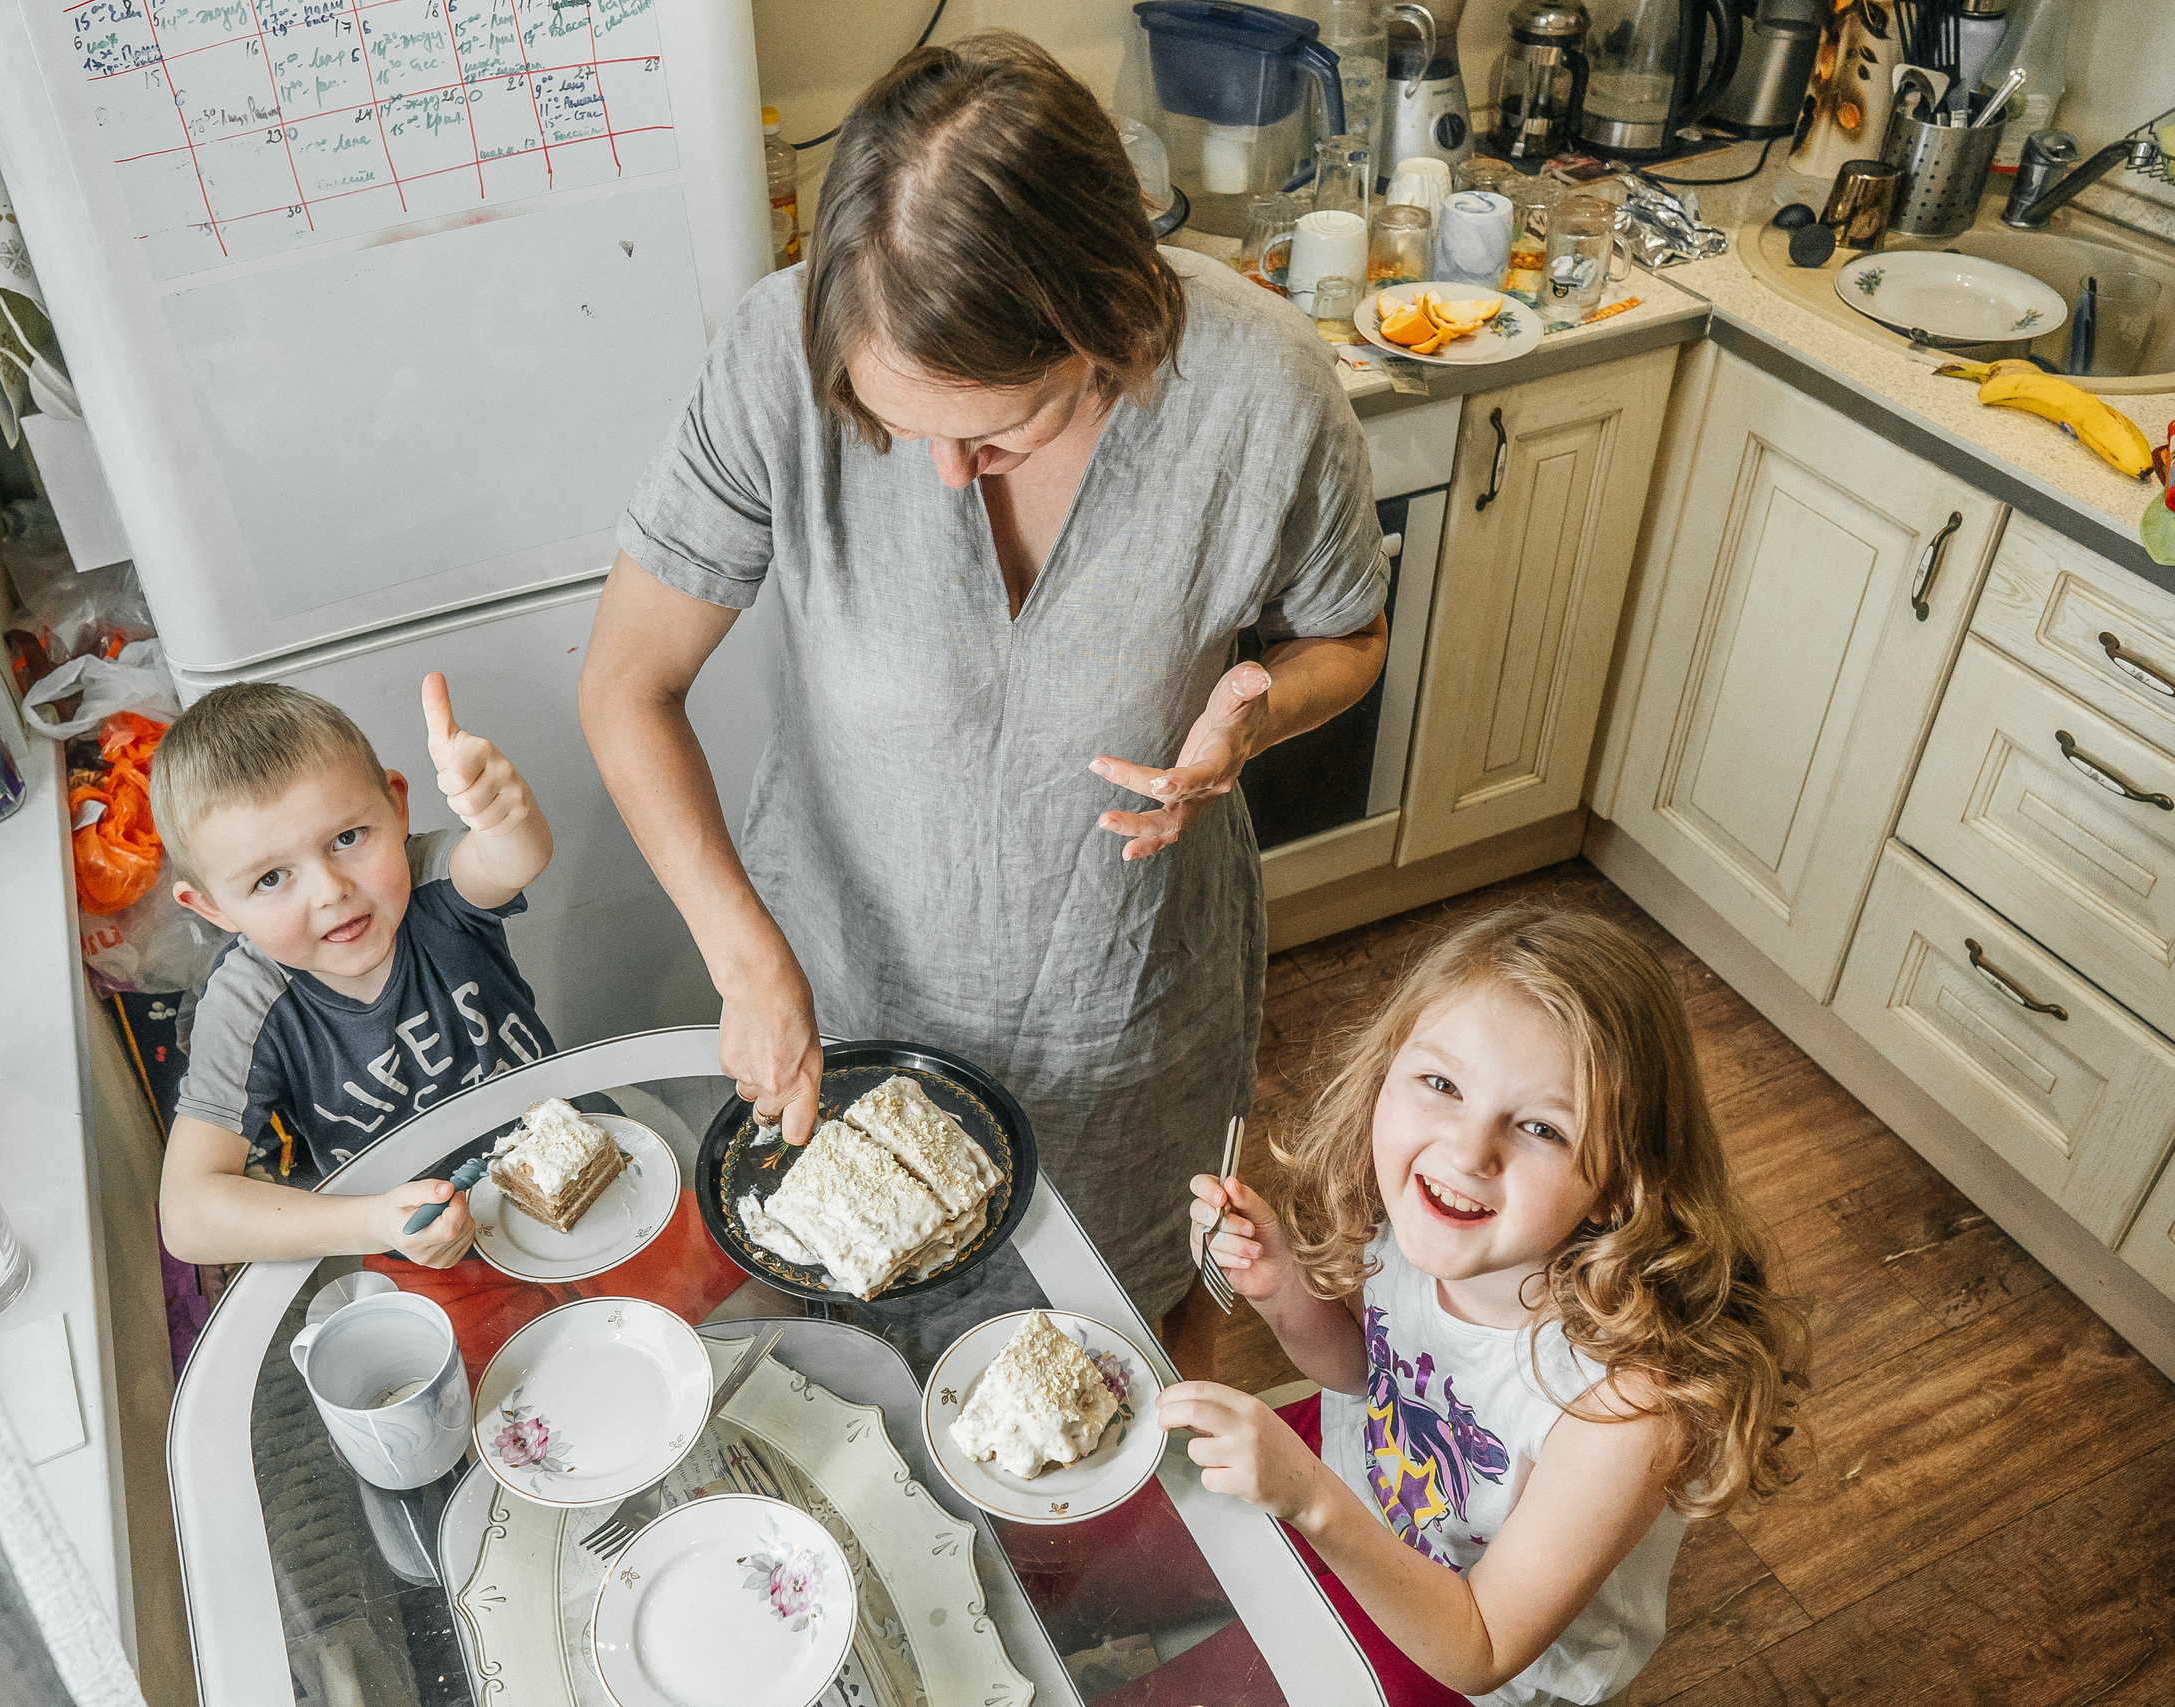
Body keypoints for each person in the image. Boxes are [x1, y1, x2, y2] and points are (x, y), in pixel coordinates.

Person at [579, 33, 1391, 1325]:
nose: (945, 477)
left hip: (1121, 1013)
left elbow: (1345, 635)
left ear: (1107, 322)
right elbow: (626, 685)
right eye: (900, 427)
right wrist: (746, 959)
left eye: (998, 429)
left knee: (1113, 1342)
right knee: (856, 1358)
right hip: (844, 994)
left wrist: (1261, 713)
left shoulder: (1263, 389)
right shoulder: (769, 361)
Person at [1160, 906, 1808, 1707]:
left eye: (1541, 1127)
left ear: (1620, 1182)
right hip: (1356, 1483)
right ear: (1382, 1077)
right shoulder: (1414, 1221)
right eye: (1440, 1084)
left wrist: (1310, 1497)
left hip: (1455, 1639)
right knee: (1128, 1550)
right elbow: (1364, 1374)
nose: (1468, 1152)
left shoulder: (1630, 1405)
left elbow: (1484, 1645)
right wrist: (1282, 1288)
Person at [156, 674, 554, 1266]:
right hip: (419, 1252)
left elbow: (513, 857)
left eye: (347, 837)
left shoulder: (432, 884)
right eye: (270, 878)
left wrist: (500, 817)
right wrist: (374, 1223)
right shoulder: (247, 1003)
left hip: (563, 1155)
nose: (330, 892)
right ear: (213, 909)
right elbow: (187, 1217)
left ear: (396, 808)